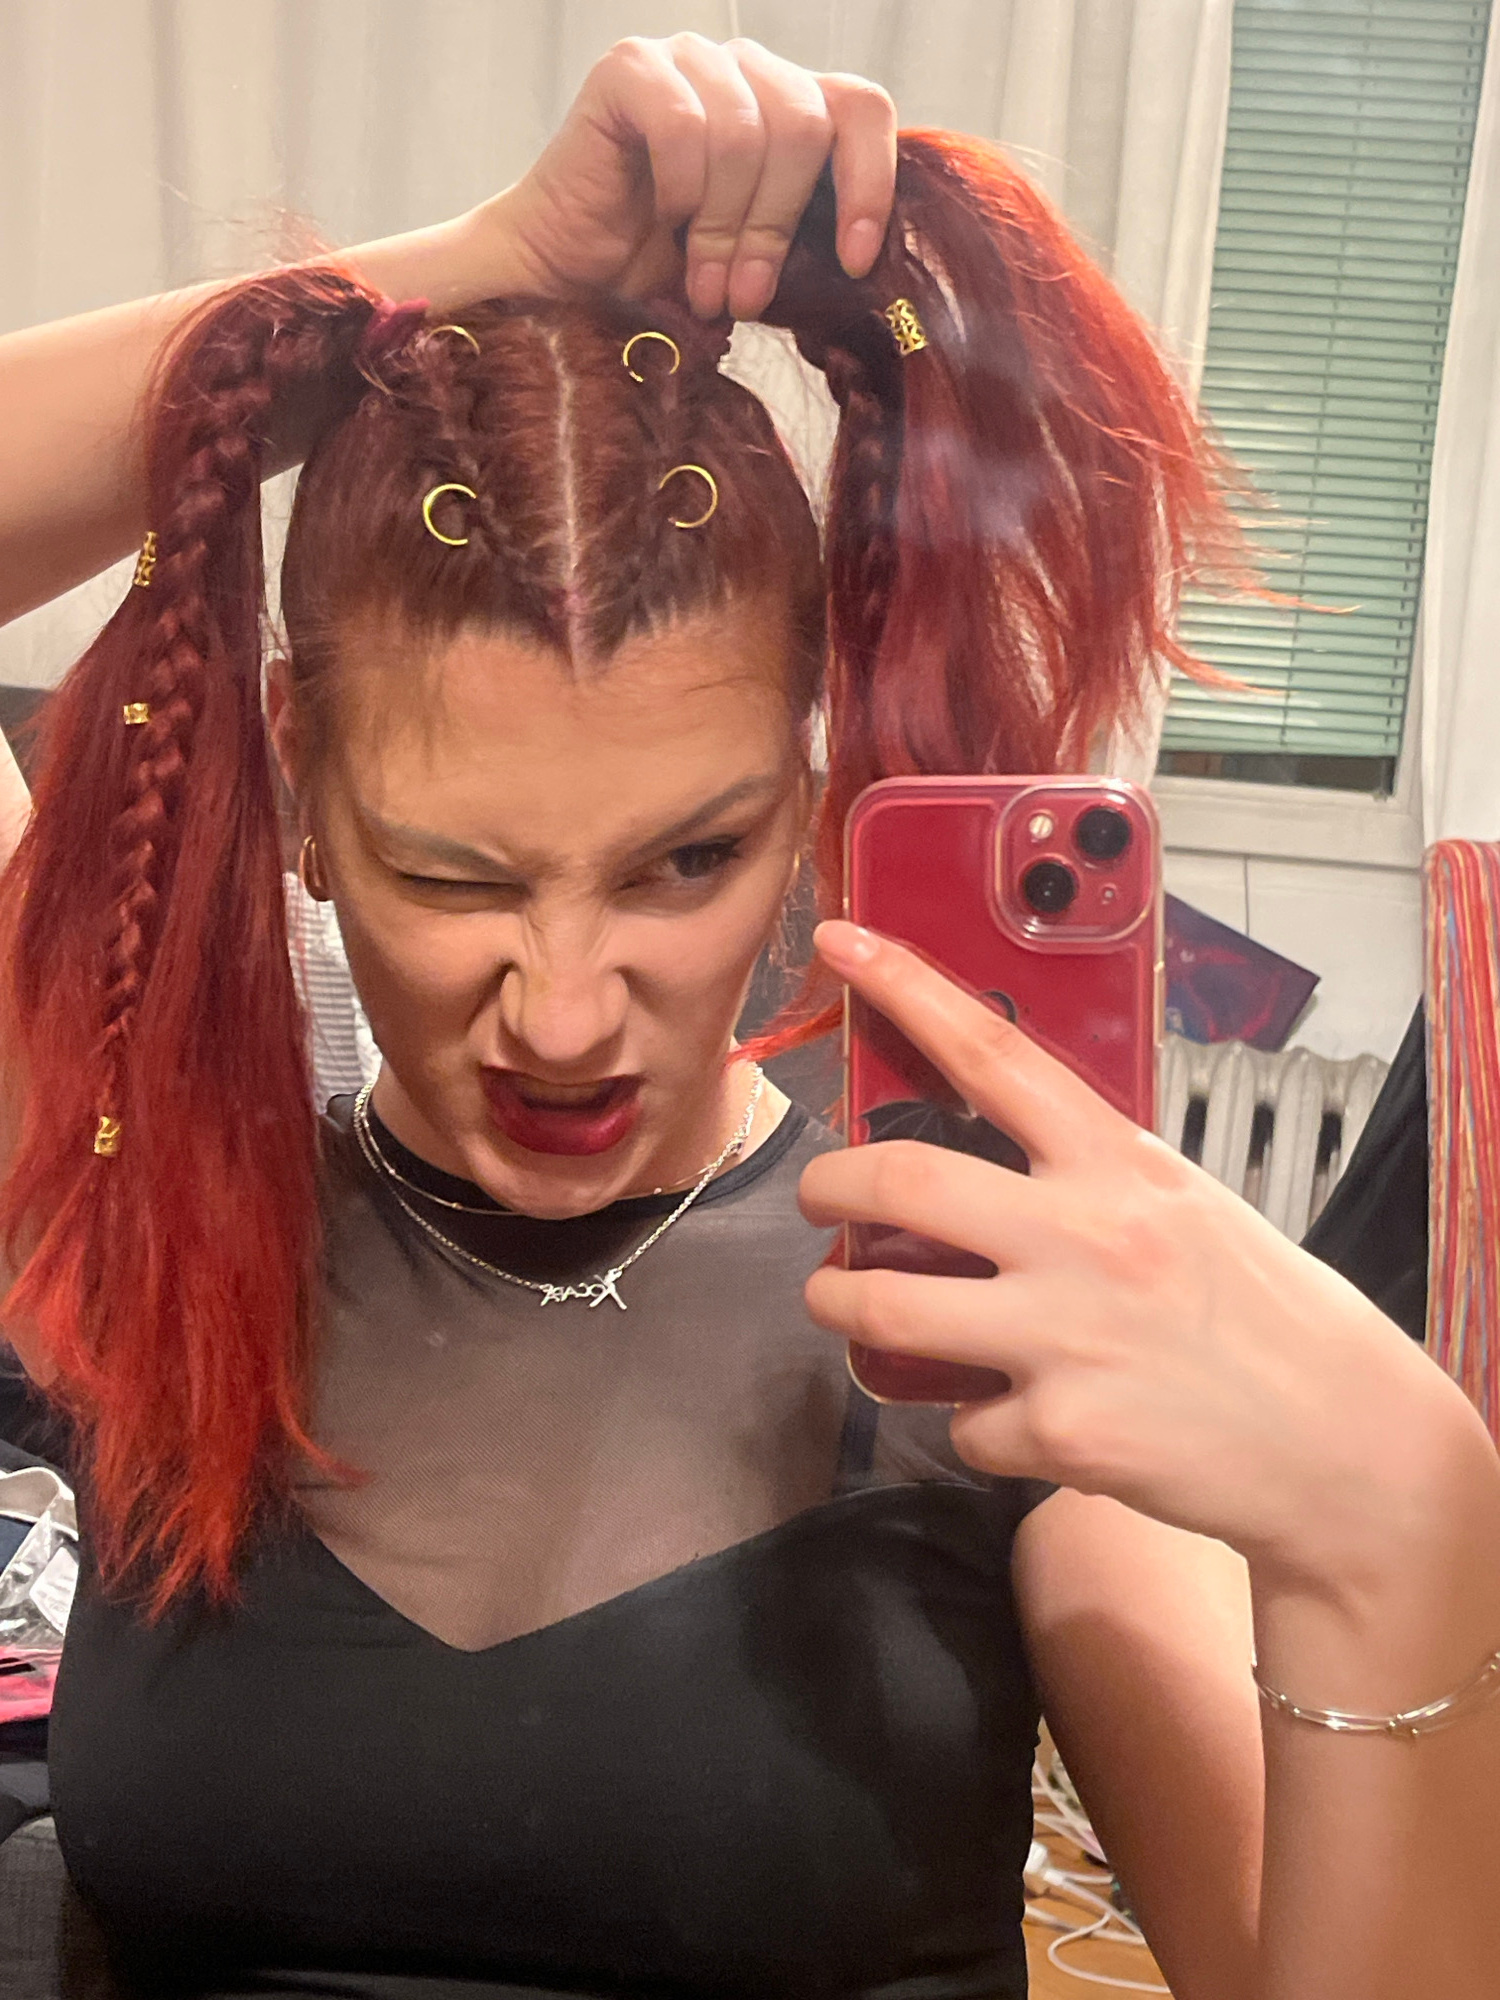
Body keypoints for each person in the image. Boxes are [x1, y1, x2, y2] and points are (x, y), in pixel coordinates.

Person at [0, 33, 1496, 2000]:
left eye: (684, 864)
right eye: (455, 877)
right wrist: (461, 269)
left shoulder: (975, 1312)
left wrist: (1406, 1532)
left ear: (804, 805)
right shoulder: (151, 1195)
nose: (563, 1016)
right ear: (300, 779)